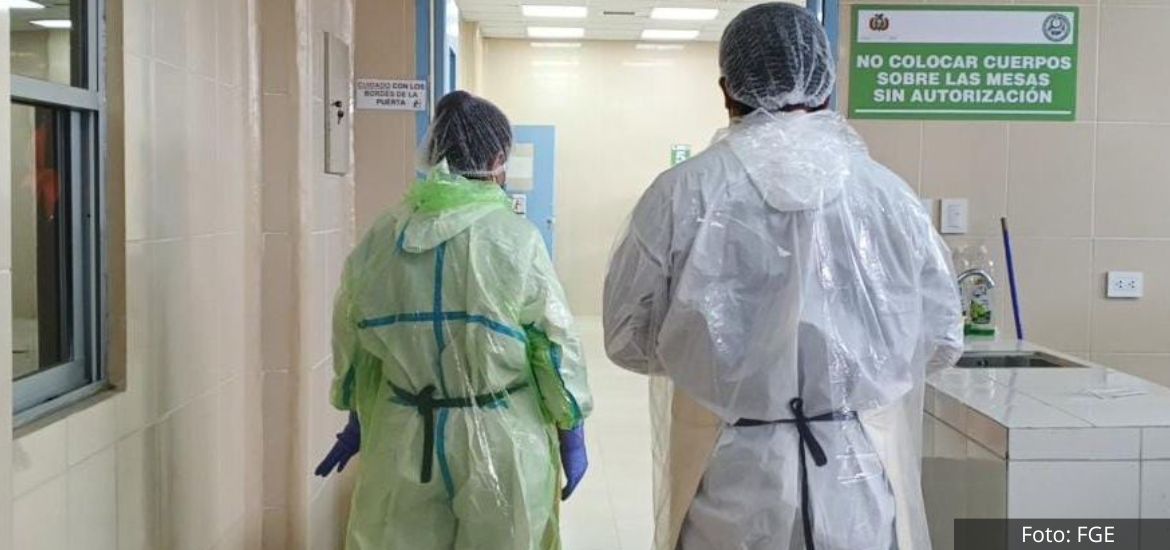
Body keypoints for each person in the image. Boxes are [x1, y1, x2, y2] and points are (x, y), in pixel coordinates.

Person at [603, 4, 964, 550]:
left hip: (731, 481)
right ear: (826, 85)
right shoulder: (887, 196)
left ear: (727, 90)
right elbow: (940, 340)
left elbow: (626, 338)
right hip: (854, 477)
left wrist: (721, 367)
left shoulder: (682, 193)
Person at [316, 90, 592, 550]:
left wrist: (356, 415)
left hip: (405, 434)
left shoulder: (384, 236)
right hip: (501, 435)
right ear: (498, 158)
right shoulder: (513, 238)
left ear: (435, 151)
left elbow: (353, 336)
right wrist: (571, 430)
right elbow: (552, 343)